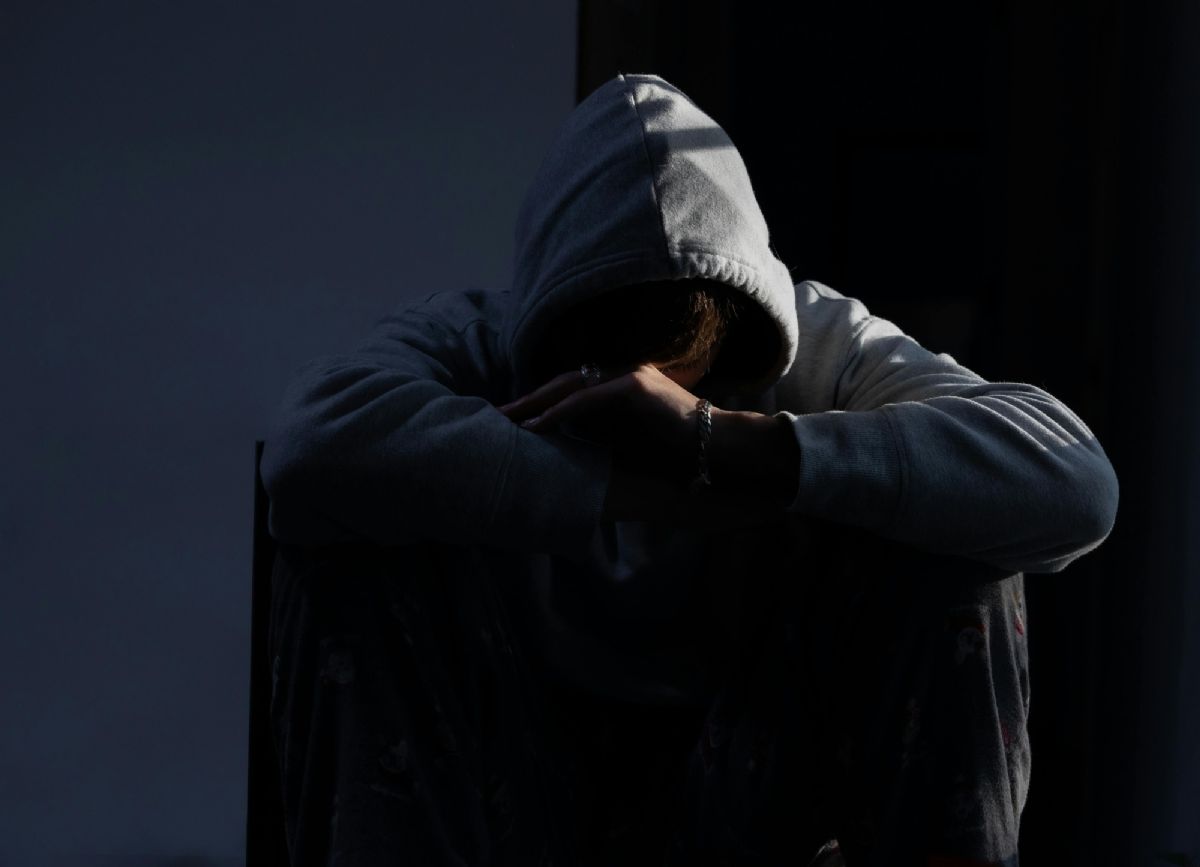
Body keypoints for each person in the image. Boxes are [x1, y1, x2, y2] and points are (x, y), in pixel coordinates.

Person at [258, 73, 1119, 867]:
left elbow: (1074, 481)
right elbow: (305, 450)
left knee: (965, 550)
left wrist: (728, 446)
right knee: (340, 532)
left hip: (751, 786)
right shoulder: (479, 342)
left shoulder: (823, 344)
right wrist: (627, 486)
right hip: (519, 787)